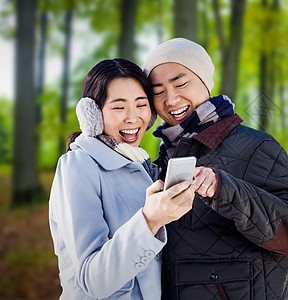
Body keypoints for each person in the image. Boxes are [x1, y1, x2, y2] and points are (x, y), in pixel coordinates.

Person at [143, 38, 288, 300]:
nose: (171, 99)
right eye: (158, 91)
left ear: (205, 81)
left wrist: (225, 190)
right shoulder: (163, 159)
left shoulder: (256, 147)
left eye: (180, 84)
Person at [49, 58, 205, 299]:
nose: (133, 118)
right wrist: (150, 221)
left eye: (141, 105)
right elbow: (93, 279)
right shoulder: (78, 167)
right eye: (119, 107)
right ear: (93, 115)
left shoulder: (144, 167)